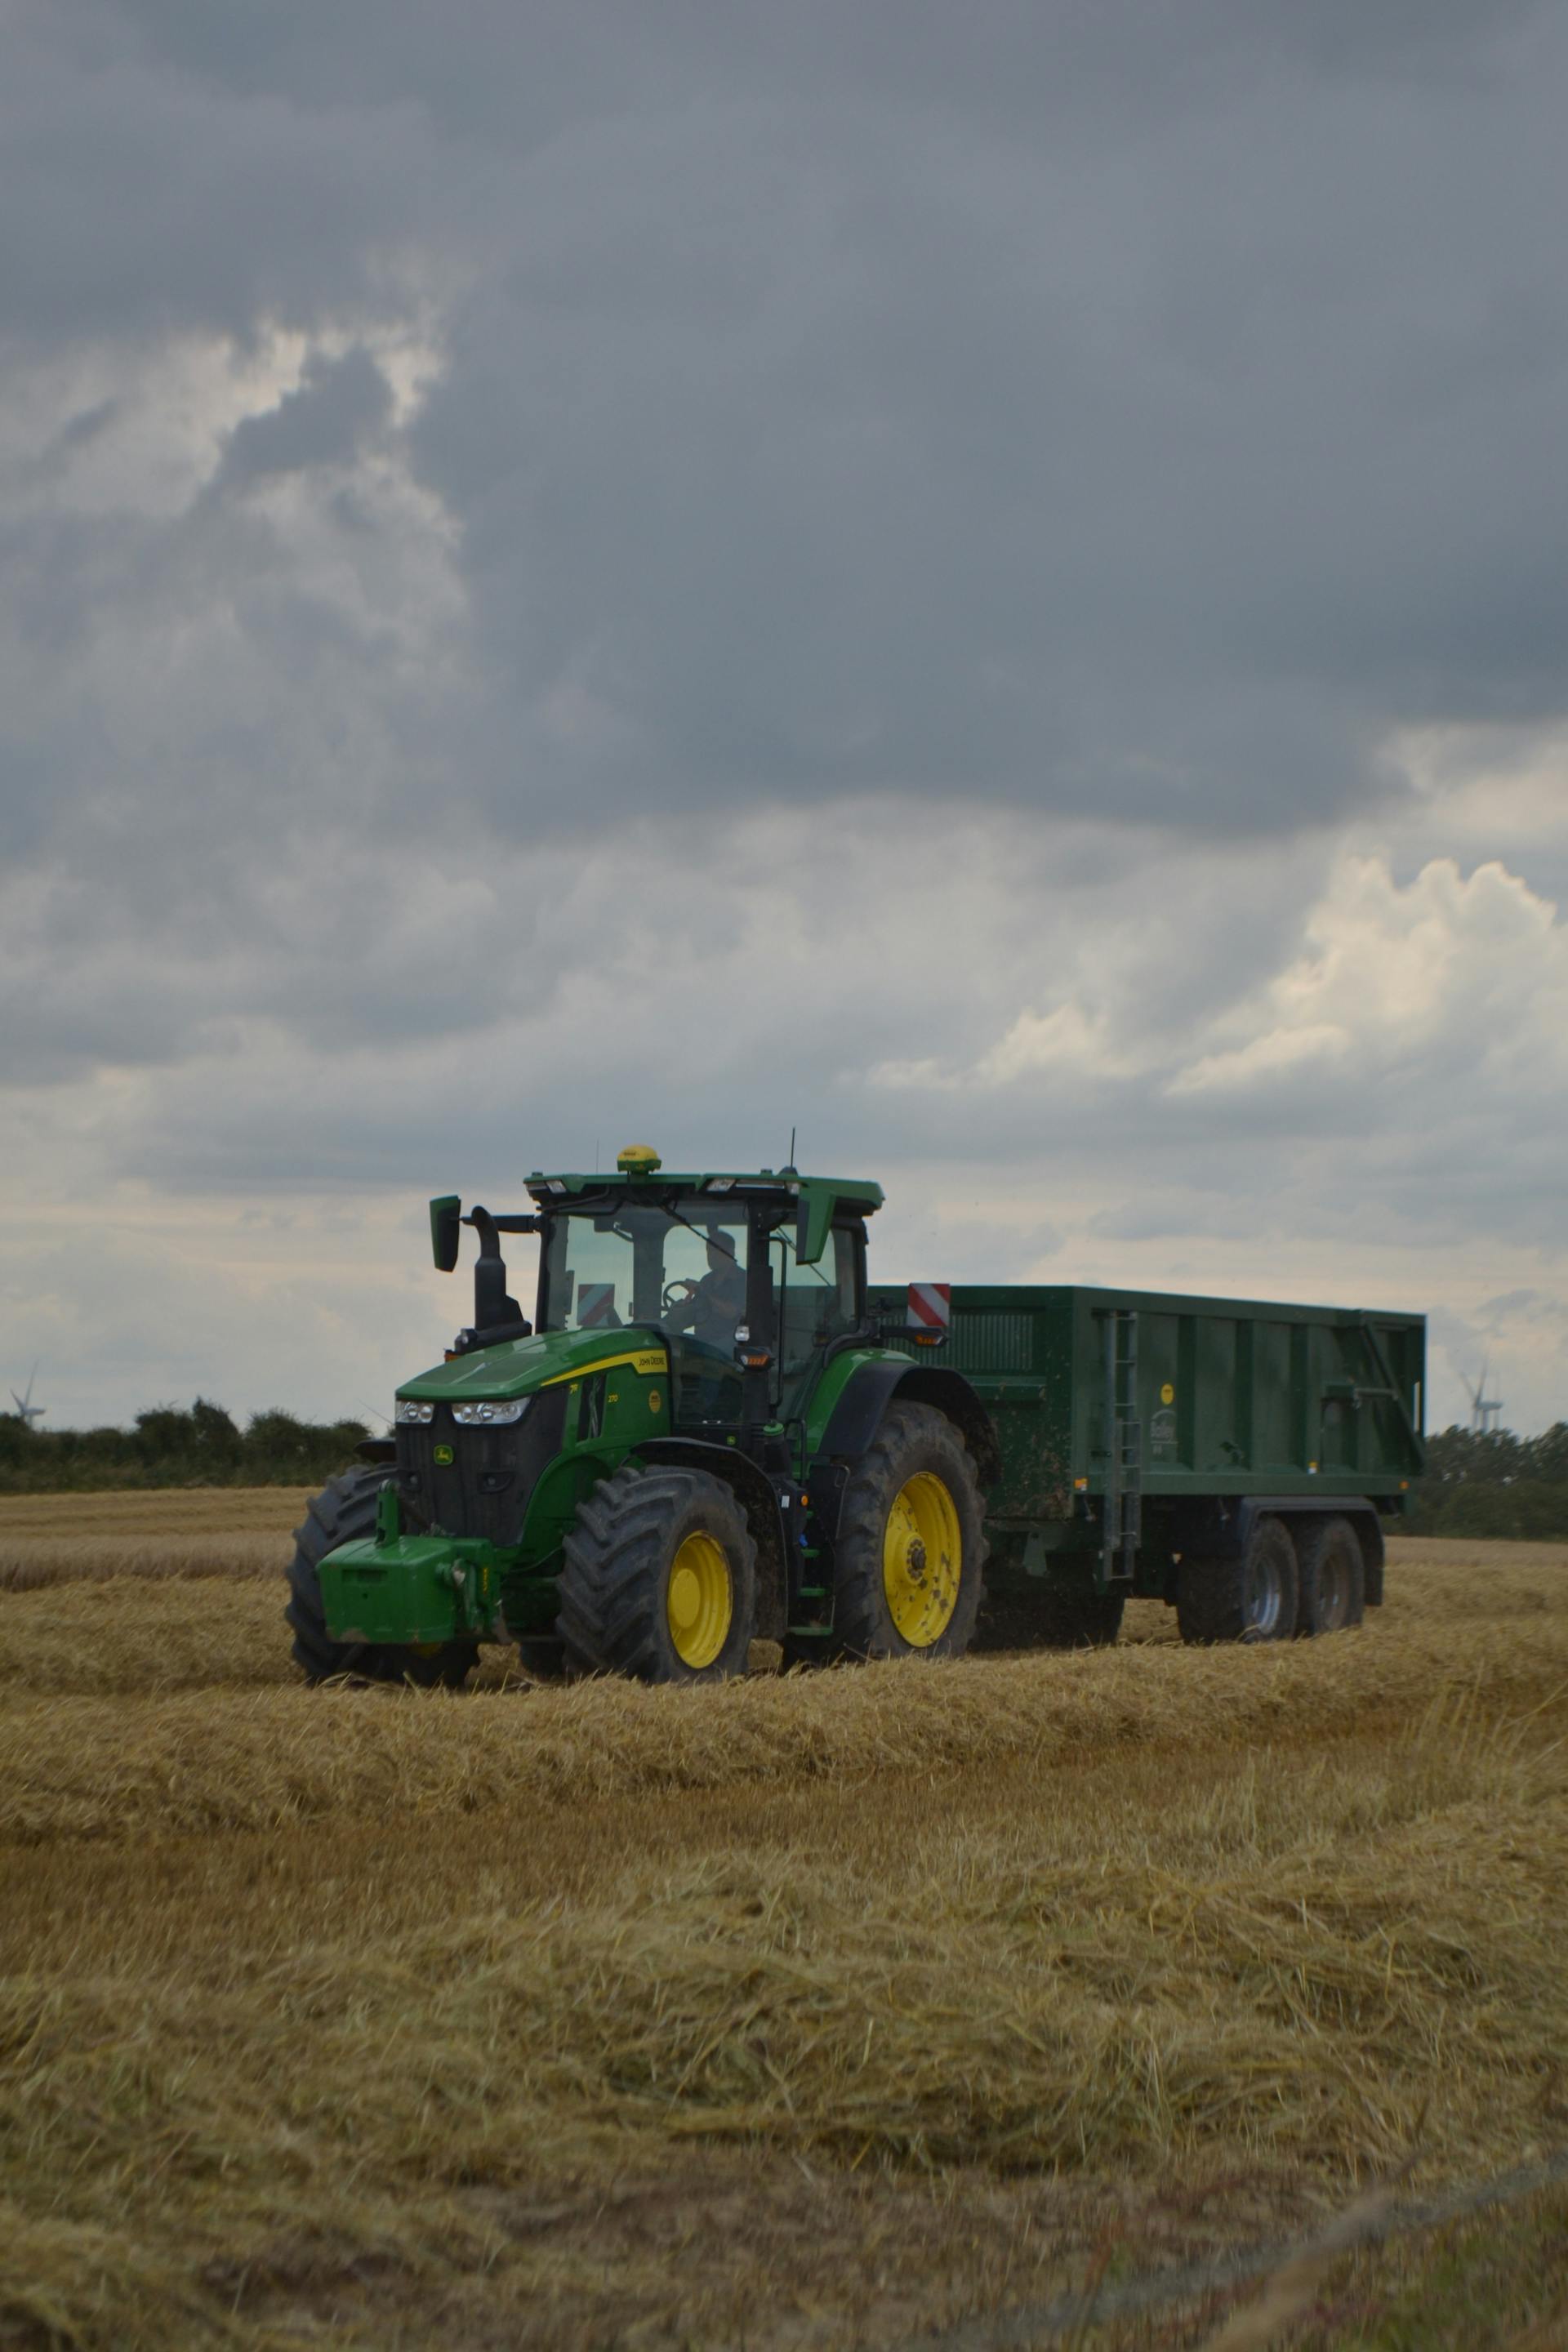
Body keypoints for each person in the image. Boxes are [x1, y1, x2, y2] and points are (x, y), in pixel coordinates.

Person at [663, 1231, 746, 1349]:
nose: (711, 1255)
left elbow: (731, 1312)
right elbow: (698, 1311)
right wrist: (682, 1307)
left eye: (716, 1250)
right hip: (704, 1342)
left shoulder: (743, 1280)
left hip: (730, 1345)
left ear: (731, 1252)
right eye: (709, 1250)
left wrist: (702, 1292)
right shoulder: (707, 1280)